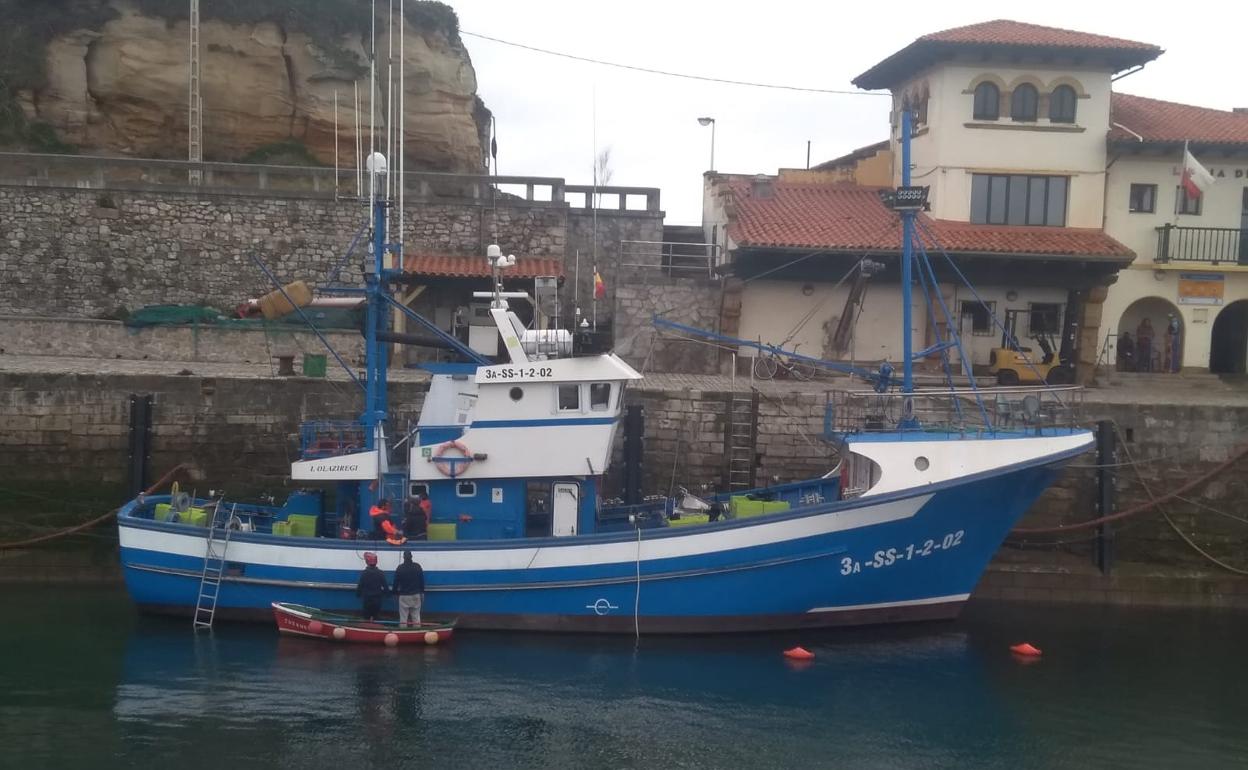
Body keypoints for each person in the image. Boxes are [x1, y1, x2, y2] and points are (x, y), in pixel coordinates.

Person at [393, 550, 426, 627]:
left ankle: (403, 634)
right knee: (416, 617)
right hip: (416, 595)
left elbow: (395, 583)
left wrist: (394, 593)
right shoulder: (417, 566)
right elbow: (421, 581)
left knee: (403, 618)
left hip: (404, 596)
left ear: (403, 558)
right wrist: (422, 592)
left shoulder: (400, 568)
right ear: (411, 557)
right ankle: (417, 633)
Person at [355, 551, 389, 621]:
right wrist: (388, 595)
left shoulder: (364, 573)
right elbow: (385, 586)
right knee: (376, 617)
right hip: (377, 599)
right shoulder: (380, 573)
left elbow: (360, 585)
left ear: (367, 562)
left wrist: (358, 594)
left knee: (366, 618)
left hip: (367, 599)